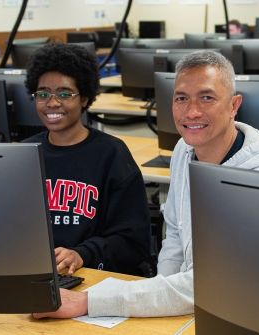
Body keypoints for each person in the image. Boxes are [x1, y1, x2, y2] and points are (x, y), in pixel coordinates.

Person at [32, 49, 259, 319]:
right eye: (181, 98)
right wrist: (156, 298)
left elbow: (215, 283)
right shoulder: (184, 150)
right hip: (198, 305)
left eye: (207, 98)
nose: (192, 111)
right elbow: (176, 239)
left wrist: (90, 301)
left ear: (233, 105)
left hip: (249, 315)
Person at [23, 43, 152, 276]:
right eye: (43, 94)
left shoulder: (112, 154)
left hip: (94, 277)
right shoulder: (24, 155)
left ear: (84, 98)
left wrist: (82, 254)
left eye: (64, 93)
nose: (52, 103)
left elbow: (134, 242)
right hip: (38, 275)